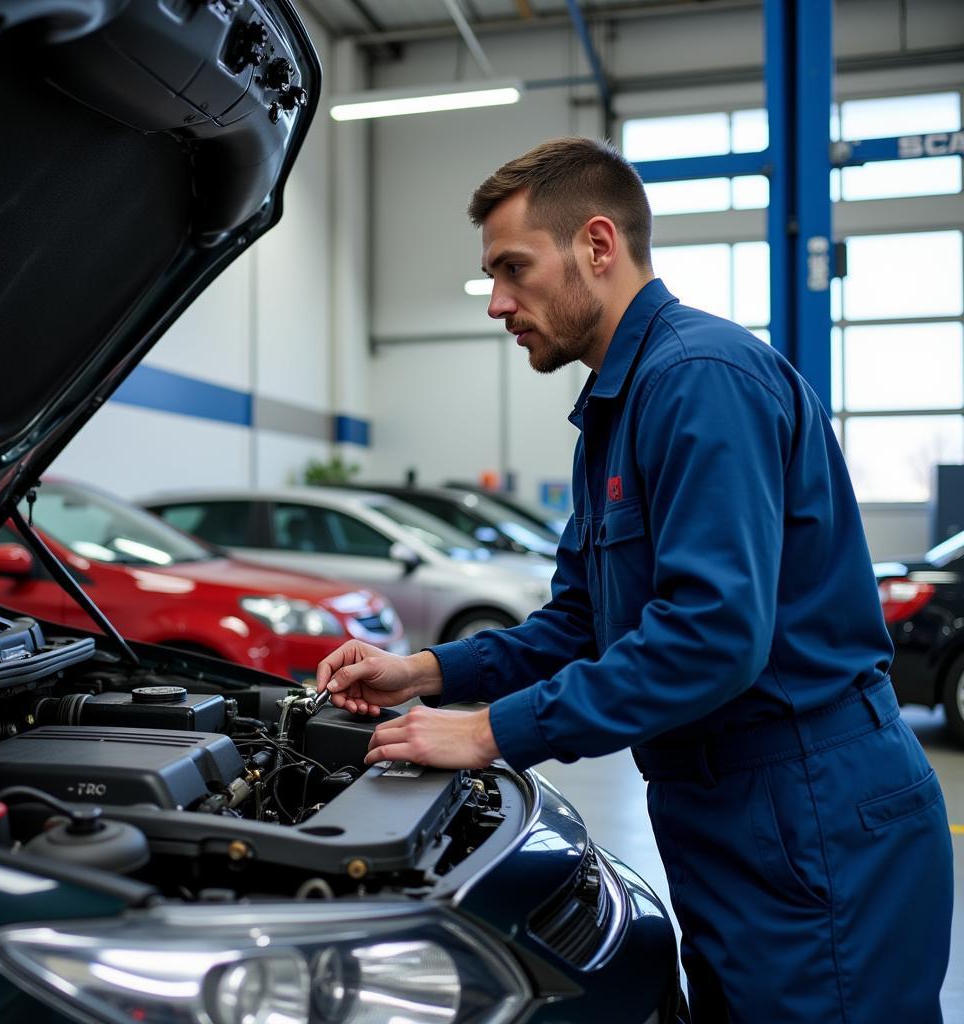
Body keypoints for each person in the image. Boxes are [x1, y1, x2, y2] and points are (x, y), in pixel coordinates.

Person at [316, 137, 953, 1023]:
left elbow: (713, 638)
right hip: (729, 816)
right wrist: (425, 675)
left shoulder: (698, 381)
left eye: (513, 268)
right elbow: (578, 623)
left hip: (810, 812)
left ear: (598, 246)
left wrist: (491, 734)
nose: (499, 302)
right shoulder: (615, 414)